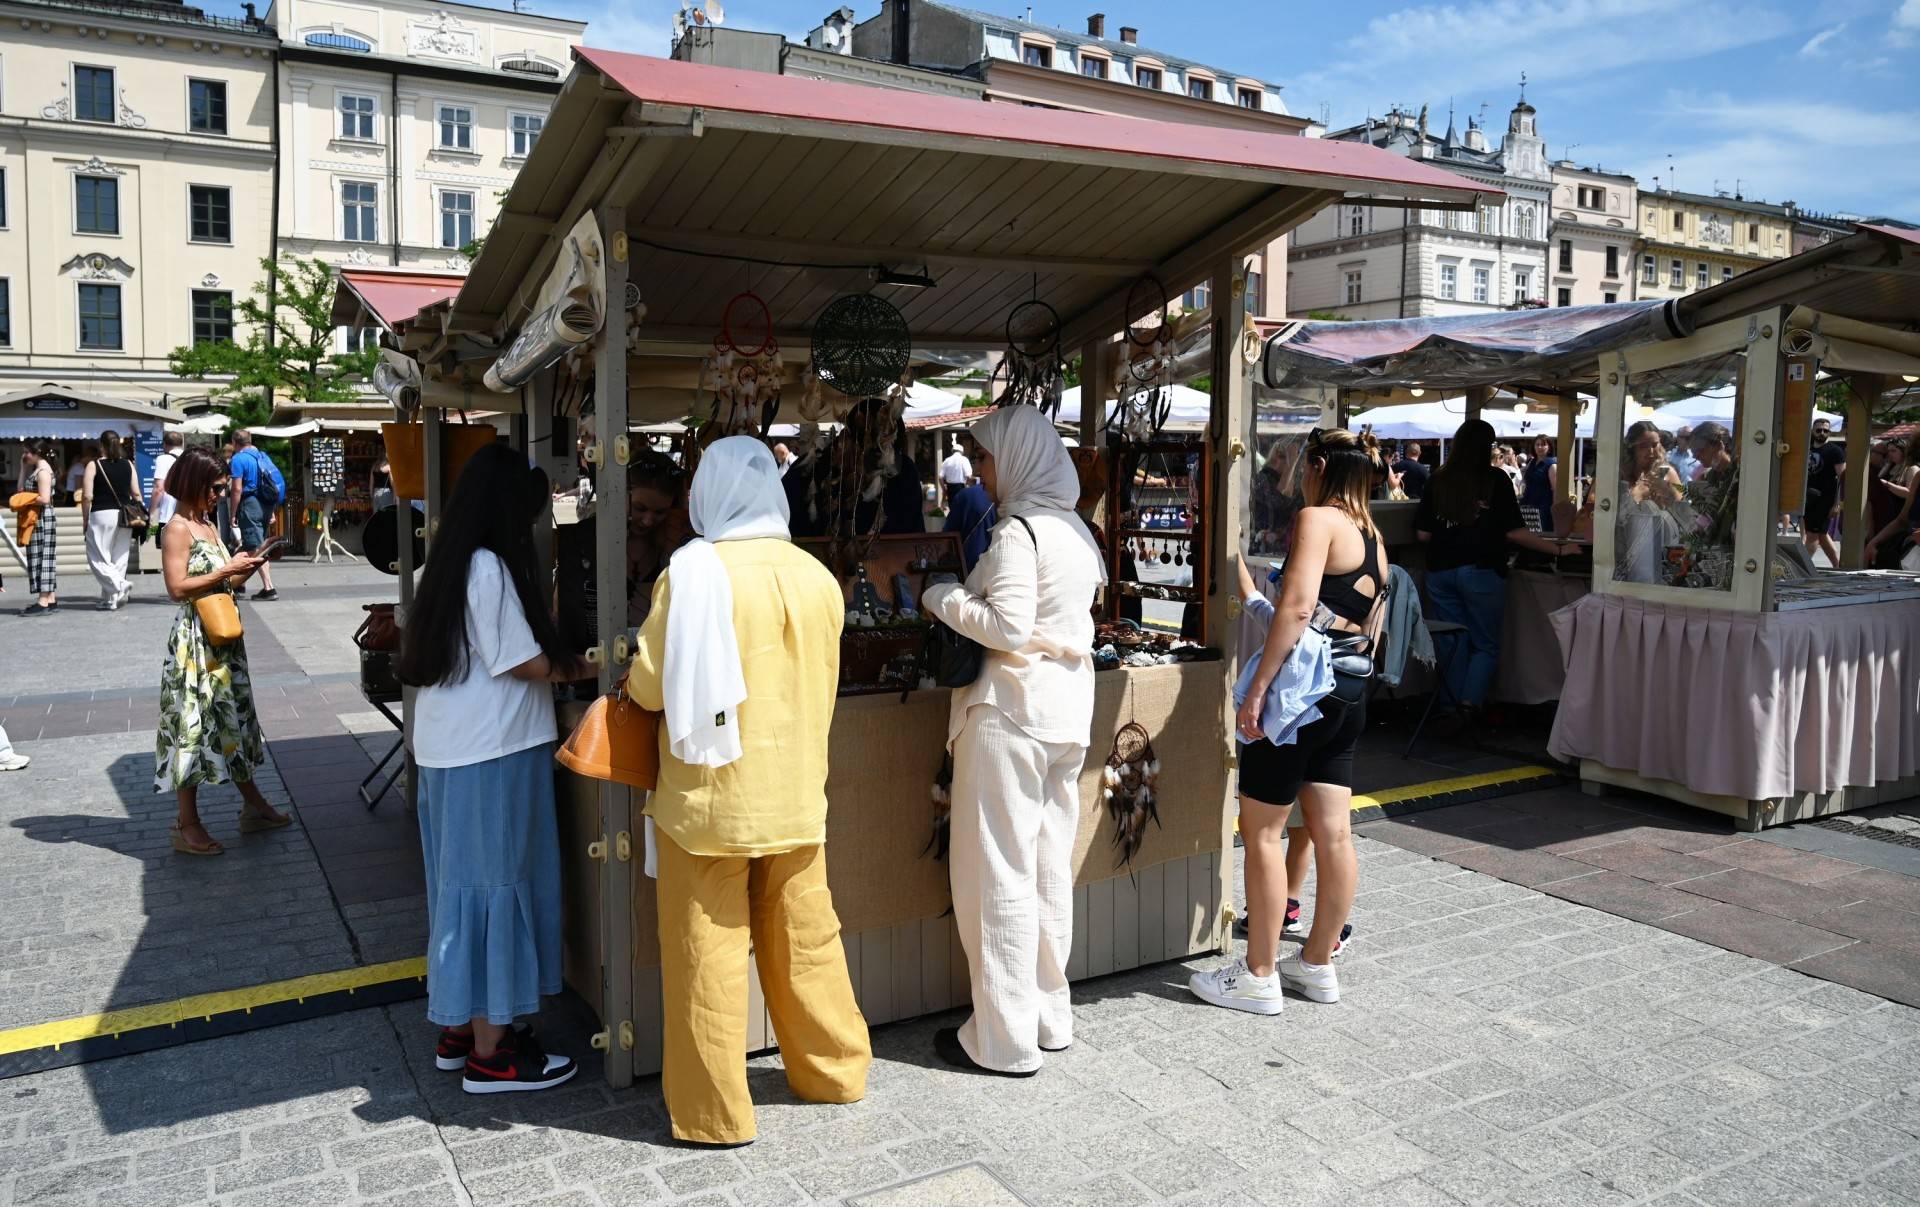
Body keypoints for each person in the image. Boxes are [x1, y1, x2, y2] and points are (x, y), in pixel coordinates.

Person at [627, 436, 870, 1142]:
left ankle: (715, 1115)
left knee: (708, 953)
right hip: (795, 794)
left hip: (708, 799)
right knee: (808, 938)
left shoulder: (692, 573)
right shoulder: (818, 577)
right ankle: (835, 1070)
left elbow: (647, 685)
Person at [397, 444, 588, 1094]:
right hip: (494, 750)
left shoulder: (452, 564)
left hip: (452, 748)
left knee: (462, 891)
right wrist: (588, 664)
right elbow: (522, 662)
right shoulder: (489, 568)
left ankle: (464, 1025)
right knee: (496, 888)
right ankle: (493, 1052)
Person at [922, 406, 1104, 1075]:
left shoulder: (1020, 529)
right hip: (1066, 711)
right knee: (1051, 867)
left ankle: (1002, 1037)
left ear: (1019, 458)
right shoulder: (1075, 530)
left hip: (1012, 712)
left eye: (988, 457)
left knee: (996, 871)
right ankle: (1050, 1015)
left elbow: (1006, 624)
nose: (981, 469)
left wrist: (939, 597)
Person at [1189, 428, 1387, 1016]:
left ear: (1320, 466)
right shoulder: (1372, 534)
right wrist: (1255, 599)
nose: (1300, 476)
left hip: (1304, 698)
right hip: (1350, 691)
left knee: (1264, 832)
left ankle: (1259, 972)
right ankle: (1318, 962)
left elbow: (1299, 611)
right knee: (1334, 832)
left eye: (1304, 466)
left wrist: (1258, 689)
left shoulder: (1317, 519)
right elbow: (1341, 618)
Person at [155, 447, 291, 855]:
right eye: (214, 487)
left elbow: (220, 582)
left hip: (222, 636)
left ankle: (254, 808)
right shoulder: (178, 527)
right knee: (191, 726)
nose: (219, 493)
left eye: (220, 487)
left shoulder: (206, 524)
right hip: (195, 642)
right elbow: (177, 588)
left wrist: (244, 567)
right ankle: (187, 824)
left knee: (232, 721)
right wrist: (224, 571)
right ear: (193, 483)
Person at [1415, 420, 1578, 725]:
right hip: (1481, 569)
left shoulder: (1437, 479)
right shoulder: (1496, 479)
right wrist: (1558, 549)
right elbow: (1515, 532)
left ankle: (1449, 708)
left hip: (1439, 570)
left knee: (1452, 641)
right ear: (1487, 447)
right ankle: (1468, 706)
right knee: (1484, 643)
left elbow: (1423, 535)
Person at [625, 455, 693, 628]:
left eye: (660, 512)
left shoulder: (678, 545)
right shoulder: (591, 538)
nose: (648, 520)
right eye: (639, 508)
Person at [83, 429, 142, 610]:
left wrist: (85, 520)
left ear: (102, 445)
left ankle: (119, 585)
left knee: (97, 556)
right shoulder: (128, 464)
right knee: (120, 557)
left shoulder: (94, 465)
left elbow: (87, 496)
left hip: (101, 514)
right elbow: (137, 493)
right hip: (125, 514)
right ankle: (111, 600)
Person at [227, 430, 281, 601]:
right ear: (250, 440)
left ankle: (269, 588)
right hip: (265, 505)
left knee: (255, 548)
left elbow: (236, 489)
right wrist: (271, 510)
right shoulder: (262, 456)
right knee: (252, 545)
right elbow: (269, 482)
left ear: (235, 443)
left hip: (250, 505)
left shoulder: (238, 459)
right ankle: (239, 584)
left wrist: (233, 513)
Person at [18, 443, 59, 615]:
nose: (25, 455)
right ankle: (50, 598)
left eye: (28, 452)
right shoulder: (37, 469)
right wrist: (22, 467)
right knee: (41, 555)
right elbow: (20, 488)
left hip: (41, 517)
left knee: (41, 557)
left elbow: (45, 498)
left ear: (36, 453)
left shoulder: (42, 471)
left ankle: (43, 601)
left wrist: (24, 499)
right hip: (38, 517)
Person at [1866, 437, 1917, 570]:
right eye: (1888, 451)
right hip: (1887, 517)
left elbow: (1909, 493)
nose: (1890, 454)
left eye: (1894, 451)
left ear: (1904, 451)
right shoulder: (1889, 467)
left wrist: (1887, 485)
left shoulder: (1912, 469)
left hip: (1901, 517)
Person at [1804, 417, 1846, 567]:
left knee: (1812, 536)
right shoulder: (1807, 448)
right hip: (1808, 498)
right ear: (1813, 431)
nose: (1822, 433)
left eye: (1826, 430)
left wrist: (1837, 504)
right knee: (1821, 535)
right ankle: (1838, 566)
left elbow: (1843, 478)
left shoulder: (1835, 451)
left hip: (1825, 499)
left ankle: (1802, 568)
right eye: (1819, 430)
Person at [943, 479, 997, 575]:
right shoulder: (1021, 499)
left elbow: (947, 538)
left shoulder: (967, 495)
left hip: (968, 569)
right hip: (999, 570)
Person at [151, 431, 185, 550]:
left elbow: (159, 488)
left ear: (165, 444)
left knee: (167, 550)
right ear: (181, 443)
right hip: (189, 514)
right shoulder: (192, 457)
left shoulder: (163, 459)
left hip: (168, 515)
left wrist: (152, 511)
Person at [1520, 433, 1560, 533]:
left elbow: (1555, 489)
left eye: (1543, 445)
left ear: (1549, 447)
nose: (1540, 447)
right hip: (1528, 502)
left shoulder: (1552, 464)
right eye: (1537, 444)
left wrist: (1554, 508)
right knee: (1528, 533)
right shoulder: (1532, 462)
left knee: (1543, 533)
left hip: (1544, 505)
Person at [940, 437, 974, 508]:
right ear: (962, 452)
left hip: (950, 488)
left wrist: (944, 489)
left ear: (953, 451)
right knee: (961, 508)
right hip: (961, 488)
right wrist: (967, 486)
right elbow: (969, 476)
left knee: (952, 508)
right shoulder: (964, 460)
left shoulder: (947, 460)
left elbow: (940, 477)